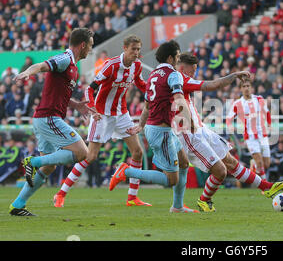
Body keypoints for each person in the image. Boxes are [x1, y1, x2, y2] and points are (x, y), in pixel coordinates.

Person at [175, 52, 283, 212]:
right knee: (220, 171)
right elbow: (213, 85)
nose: (194, 73)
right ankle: (198, 201)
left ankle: (266, 187)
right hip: (189, 133)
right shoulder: (180, 79)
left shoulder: (179, 80)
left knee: (230, 162)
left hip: (201, 129)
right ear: (184, 67)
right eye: (192, 69)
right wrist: (235, 74)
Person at [53, 35, 151, 208]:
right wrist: (93, 109)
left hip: (121, 114)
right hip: (102, 114)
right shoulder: (111, 65)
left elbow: (141, 84)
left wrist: (153, 92)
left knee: (137, 152)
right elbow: (89, 90)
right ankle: (60, 193)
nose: (136, 53)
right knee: (90, 156)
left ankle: (132, 198)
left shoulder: (136, 66)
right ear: (125, 48)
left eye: (138, 49)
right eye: (133, 49)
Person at [9, 28, 96, 216]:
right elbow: (41, 65)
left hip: (44, 118)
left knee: (49, 167)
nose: (90, 48)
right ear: (83, 45)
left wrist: (76, 105)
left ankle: (17, 205)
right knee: (82, 152)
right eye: (90, 45)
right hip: (48, 118)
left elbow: (59, 93)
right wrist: (27, 72)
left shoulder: (73, 66)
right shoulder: (65, 59)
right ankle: (33, 162)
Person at [109, 40, 192, 211]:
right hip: (161, 131)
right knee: (171, 180)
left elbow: (147, 105)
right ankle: (126, 172)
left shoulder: (154, 74)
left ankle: (177, 206)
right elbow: (178, 98)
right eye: (177, 56)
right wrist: (188, 119)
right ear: (170, 57)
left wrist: (141, 125)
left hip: (158, 128)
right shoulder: (173, 74)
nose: (178, 60)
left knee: (184, 163)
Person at [226, 79, 272, 180]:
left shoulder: (259, 99)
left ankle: (253, 164)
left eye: (248, 86)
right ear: (241, 89)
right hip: (249, 136)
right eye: (244, 86)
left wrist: (269, 124)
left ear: (251, 88)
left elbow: (267, 113)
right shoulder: (238, 103)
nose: (246, 88)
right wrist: (230, 126)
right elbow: (229, 118)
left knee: (267, 164)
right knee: (260, 161)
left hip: (262, 134)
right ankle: (265, 185)